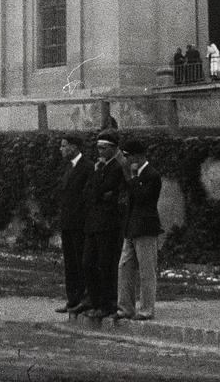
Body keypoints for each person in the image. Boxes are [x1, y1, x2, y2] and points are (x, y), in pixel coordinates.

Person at [115, 140, 162, 321]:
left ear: (138, 157)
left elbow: (142, 197)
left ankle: (146, 309)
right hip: (132, 228)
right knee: (124, 268)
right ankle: (125, 307)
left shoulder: (152, 175)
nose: (126, 160)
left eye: (128, 156)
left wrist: (133, 177)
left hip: (145, 228)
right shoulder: (136, 175)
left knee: (146, 270)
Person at [82, 131, 126, 319]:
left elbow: (104, 192)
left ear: (114, 149)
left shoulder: (116, 168)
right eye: (98, 147)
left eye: (103, 148)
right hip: (93, 222)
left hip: (108, 224)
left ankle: (107, 304)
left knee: (105, 265)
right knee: (88, 263)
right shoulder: (99, 167)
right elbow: (91, 193)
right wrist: (97, 178)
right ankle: (94, 300)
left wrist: (99, 191)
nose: (99, 151)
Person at [55, 134, 91, 314]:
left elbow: (87, 196)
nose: (61, 149)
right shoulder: (69, 167)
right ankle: (72, 299)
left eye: (64, 146)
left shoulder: (87, 167)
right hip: (68, 223)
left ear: (75, 147)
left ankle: (83, 298)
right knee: (70, 263)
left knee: (81, 262)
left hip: (80, 223)